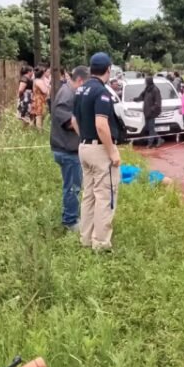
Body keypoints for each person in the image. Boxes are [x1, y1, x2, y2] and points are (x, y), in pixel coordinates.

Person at [72, 53, 122, 251]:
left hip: (84, 147)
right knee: (104, 196)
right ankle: (100, 243)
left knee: (89, 195)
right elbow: (101, 125)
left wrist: (84, 139)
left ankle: (86, 238)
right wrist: (112, 152)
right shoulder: (101, 92)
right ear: (108, 69)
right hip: (100, 150)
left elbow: (74, 120)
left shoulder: (80, 89)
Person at [51, 66, 87, 232]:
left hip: (68, 148)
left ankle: (73, 216)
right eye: (86, 85)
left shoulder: (70, 92)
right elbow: (66, 120)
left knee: (74, 185)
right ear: (79, 80)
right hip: (66, 149)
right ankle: (70, 221)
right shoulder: (67, 94)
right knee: (72, 187)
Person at [135, 76, 163, 148]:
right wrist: (135, 99)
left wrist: (152, 109)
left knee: (151, 128)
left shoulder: (155, 90)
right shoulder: (147, 89)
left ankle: (150, 144)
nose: (145, 82)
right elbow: (141, 97)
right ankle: (159, 139)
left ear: (149, 81)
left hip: (152, 113)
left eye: (146, 81)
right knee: (148, 128)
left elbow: (158, 102)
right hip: (146, 112)